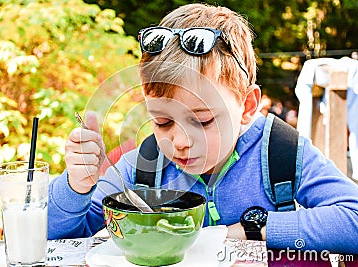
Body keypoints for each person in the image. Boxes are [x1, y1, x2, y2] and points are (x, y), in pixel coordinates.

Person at [48, 3, 358, 254]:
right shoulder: (144, 167)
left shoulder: (280, 153)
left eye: (202, 120)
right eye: (163, 121)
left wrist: (254, 229)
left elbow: (353, 220)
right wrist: (75, 186)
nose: (180, 141)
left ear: (247, 106)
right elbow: (54, 235)